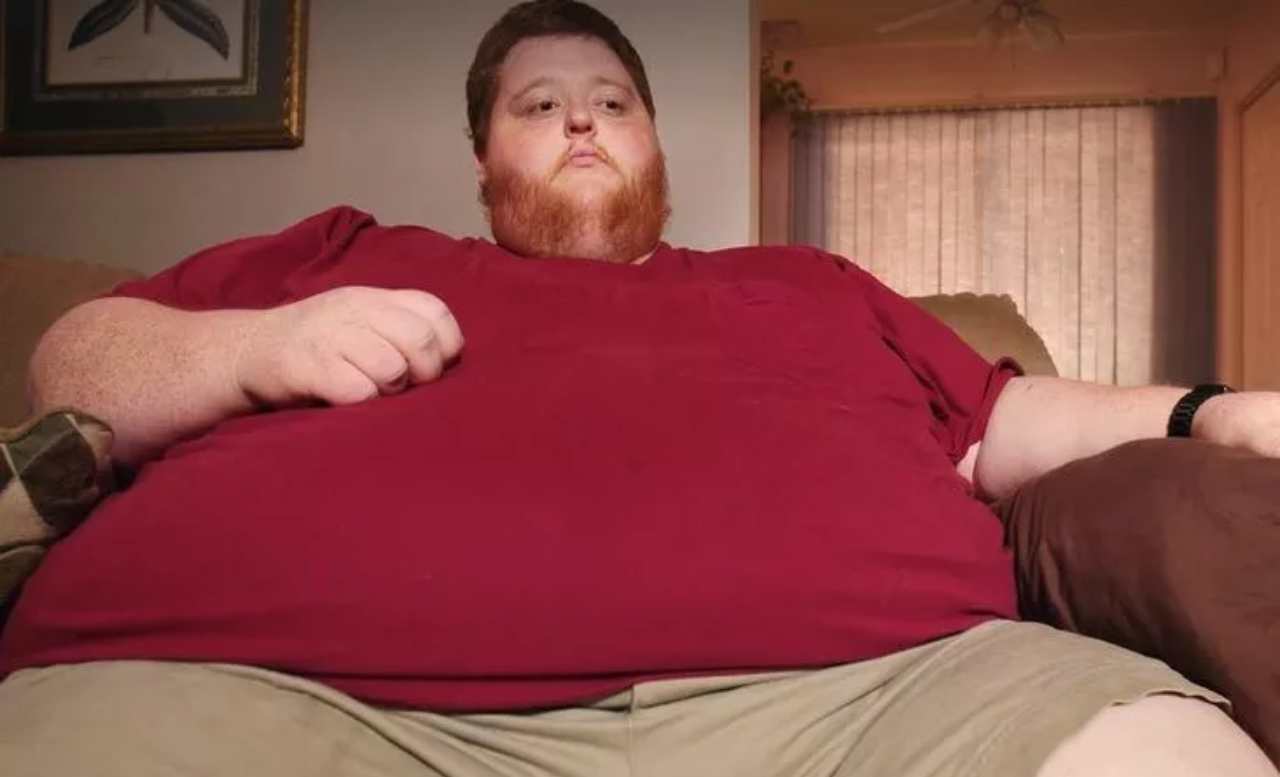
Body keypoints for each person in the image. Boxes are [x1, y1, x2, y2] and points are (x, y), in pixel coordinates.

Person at [0, 2, 1275, 775]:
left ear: (654, 142)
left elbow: (1000, 418)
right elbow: (79, 360)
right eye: (537, 105)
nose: (580, 122)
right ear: (481, 157)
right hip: (272, 701)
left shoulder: (805, 283)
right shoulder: (342, 252)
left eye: (611, 101)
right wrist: (248, 349)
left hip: (880, 704)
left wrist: (1209, 411)